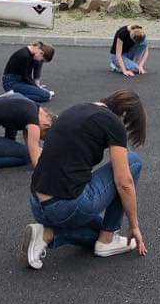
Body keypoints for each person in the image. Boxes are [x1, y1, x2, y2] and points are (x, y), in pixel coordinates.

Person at [22, 90, 147, 270]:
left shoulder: (76, 109)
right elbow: (124, 183)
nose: (124, 132)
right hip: (64, 207)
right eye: (128, 127)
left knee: (98, 230)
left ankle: (47, 234)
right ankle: (108, 239)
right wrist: (134, 226)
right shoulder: (113, 122)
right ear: (124, 114)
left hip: (37, 204)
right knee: (132, 161)